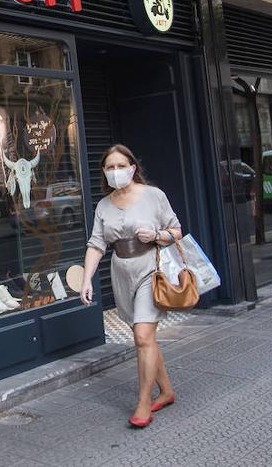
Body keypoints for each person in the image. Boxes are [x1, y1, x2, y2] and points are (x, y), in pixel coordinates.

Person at [80, 144, 182, 428]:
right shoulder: (103, 205)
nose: (115, 172)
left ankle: (143, 403)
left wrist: (157, 234)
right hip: (121, 272)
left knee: (141, 335)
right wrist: (87, 279)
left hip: (150, 267)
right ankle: (167, 391)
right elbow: (97, 243)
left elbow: (177, 231)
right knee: (145, 337)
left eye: (120, 166)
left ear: (133, 168)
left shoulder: (153, 196)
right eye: (110, 168)